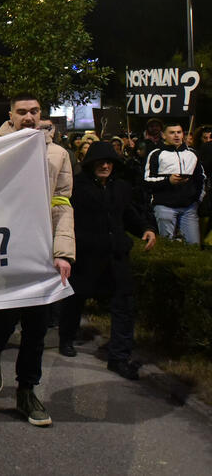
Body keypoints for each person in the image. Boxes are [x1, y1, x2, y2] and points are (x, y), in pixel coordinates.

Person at [0, 94, 75, 426]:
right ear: (10, 115)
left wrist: (63, 252)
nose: (28, 116)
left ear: (41, 115)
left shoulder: (57, 154)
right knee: (5, 322)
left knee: (36, 328)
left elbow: (62, 204)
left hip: (41, 254)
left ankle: (27, 391)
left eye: (34, 111)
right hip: (6, 251)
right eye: (21, 111)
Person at [58, 142, 156, 379]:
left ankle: (119, 357)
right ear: (90, 164)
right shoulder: (76, 188)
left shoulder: (121, 187)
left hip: (117, 257)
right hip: (86, 257)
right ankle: (66, 339)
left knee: (124, 305)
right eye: (100, 162)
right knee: (75, 300)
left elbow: (128, 213)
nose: (105, 166)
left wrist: (145, 228)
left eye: (109, 162)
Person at [144, 122, 205, 244]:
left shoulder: (192, 153)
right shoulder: (156, 154)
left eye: (179, 132)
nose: (176, 135)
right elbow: (147, 180)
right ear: (164, 135)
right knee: (167, 245)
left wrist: (198, 199)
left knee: (193, 245)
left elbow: (201, 178)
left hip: (189, 208)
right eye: (172, 133)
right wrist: (169, 181)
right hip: (164, 206)